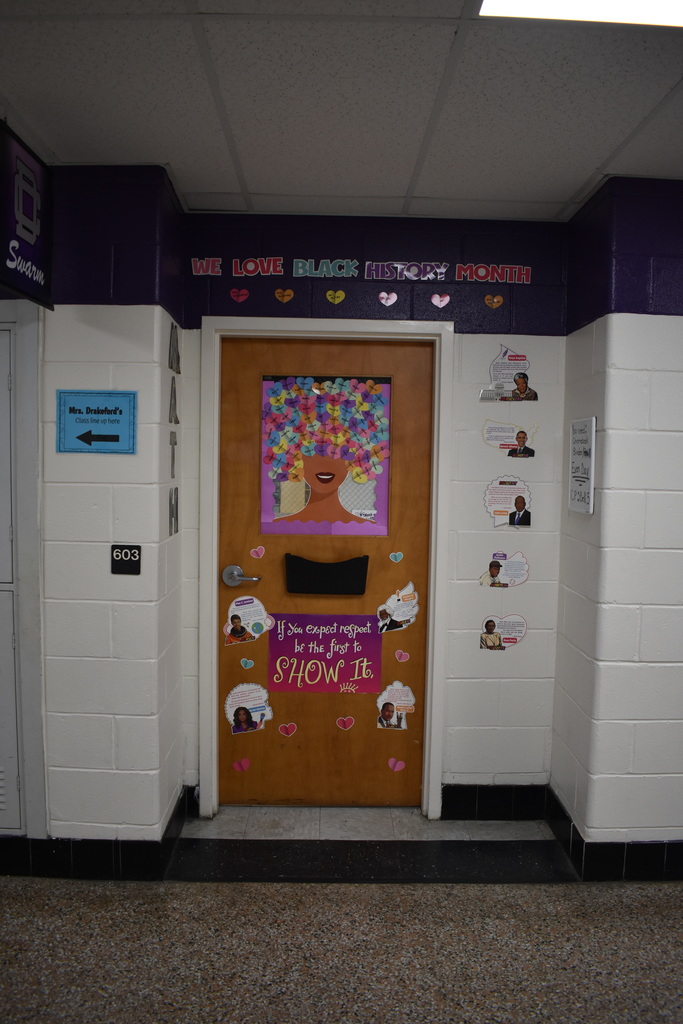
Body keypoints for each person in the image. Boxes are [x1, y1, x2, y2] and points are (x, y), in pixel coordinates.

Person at [263, 376, 390, 525]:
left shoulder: (367, 528)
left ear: (355, 459)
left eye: (339, 451)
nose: (325, 463)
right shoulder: (280, 526)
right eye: (312, 450)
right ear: (296, 457)